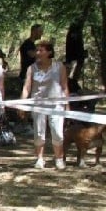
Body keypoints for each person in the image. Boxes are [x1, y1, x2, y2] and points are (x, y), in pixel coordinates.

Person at [19, 40, 70, 170]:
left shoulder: (59, 67)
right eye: (37, 50)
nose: (38, 53)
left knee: (57, 132)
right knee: (39, 132)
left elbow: (65, 87)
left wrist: (67, 104)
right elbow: (27, 88)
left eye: (41, 50)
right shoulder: (32, 68)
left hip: (56, 104)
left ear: (49, 52)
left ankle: (59, 159)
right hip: (38, 104)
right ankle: (39, 159)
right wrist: (22, 104)